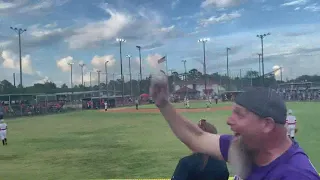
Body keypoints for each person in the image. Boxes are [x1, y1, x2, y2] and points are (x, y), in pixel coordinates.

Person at [149, 78, 320, 180]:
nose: (229, 121)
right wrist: (164, 104)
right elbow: (197, 138)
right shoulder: (246, 148)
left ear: (267, 124)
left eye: (239, 114)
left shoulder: (296, 175)